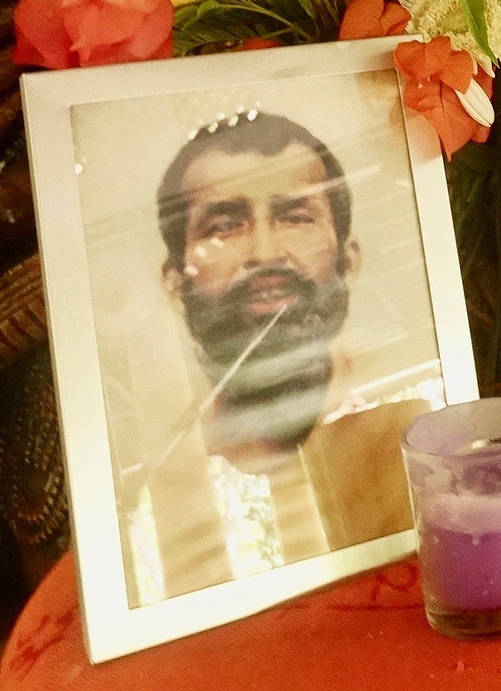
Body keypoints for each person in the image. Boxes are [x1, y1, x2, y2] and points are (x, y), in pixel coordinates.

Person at [122, 113, 428, 606]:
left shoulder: (421, 431)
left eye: (295, 217)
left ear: (348, 262)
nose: (265, 253)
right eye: (225, 225)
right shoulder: (151, 495)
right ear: (176, 285)